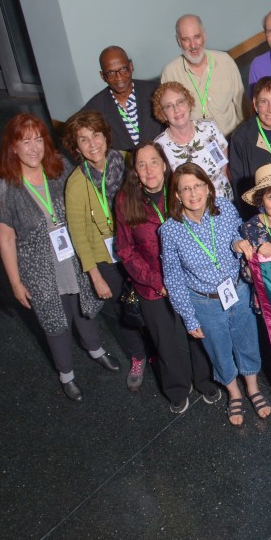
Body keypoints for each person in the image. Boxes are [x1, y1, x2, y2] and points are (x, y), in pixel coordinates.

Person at [0, 114, 119, 401]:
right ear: (13, 146)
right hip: (39, 267)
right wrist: (15, 282)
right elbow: (6, 238)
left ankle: (96, 349)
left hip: (73, 256)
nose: (34, 148)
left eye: (39, 140)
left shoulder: (58, 169)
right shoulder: (3, 187)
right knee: (56, 322)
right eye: (26, 141)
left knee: (85, 308)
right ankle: (66, 374)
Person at [159, 163, 268, 426]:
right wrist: (189, 318)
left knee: (247, 340)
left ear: (208, 187)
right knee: (219, 350)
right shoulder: (170, 230)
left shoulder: (225, 208)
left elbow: (236, 234)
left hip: (238, 290)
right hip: (204, 302)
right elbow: (173, 278)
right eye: (186, 188)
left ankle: (253, 387)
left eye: (198, 185)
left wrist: (239, 243)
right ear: (177, 195)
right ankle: (234, 393)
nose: (193, 193)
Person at [115, 141, 220, 413]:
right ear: (135, 171)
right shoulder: (126, 200)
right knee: (164, 341)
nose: (149, 169)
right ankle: (176, 388)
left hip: (191, 279)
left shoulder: (181, 190)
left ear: (164, 164)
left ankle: (205, 380)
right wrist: (157, 282)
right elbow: (125, 251)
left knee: (197, 333)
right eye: (141, 164)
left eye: (154, 161)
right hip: (152, 284)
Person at [62, 110, 147, 390]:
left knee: (149, 299)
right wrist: (95, 274)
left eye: (96, 135)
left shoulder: (126, 161)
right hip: (105, 256)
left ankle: (158, 349)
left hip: (137, 245)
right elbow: (78, 234)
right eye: (83, 140)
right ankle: (138, 356)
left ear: (105, 135)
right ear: (76, 148)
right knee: (123, 308)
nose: (92, 144)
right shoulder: (75, 183)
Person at [161, 14, 245, 136]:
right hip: (198, 148)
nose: (193, 45)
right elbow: (169, 119)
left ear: (204, 35)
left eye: (197, 37)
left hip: (233, 139)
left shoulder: (225, 61)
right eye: (186, 39)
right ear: (178, 41)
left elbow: (242, 104)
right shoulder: (170, 73)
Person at [229, 76, 271, 215]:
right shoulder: (240, 137)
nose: (270, 109)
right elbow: (240, 187)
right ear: (255, 103)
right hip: (261, 213)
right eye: (264, 102)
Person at [152, 81, 233, 199]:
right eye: (169, 106)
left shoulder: (209, 128)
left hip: (224, 202)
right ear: (163, 114)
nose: (177, 109)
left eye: (180, 102)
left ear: (189, 104)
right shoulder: (159, 146)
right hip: (191, 209)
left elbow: (223, 167)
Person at [80, 45, 165, 154]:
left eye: (123, 69)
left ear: (131, 66)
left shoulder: (156, 91)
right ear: (102, 76)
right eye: (111, 73)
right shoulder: (94, 108)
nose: (119, 78)